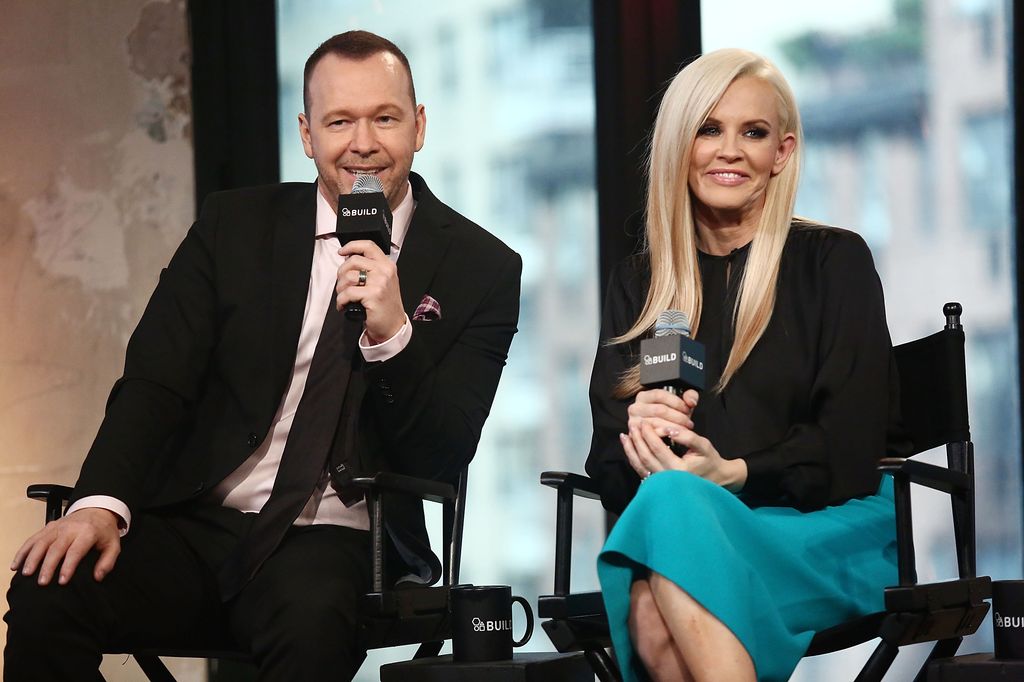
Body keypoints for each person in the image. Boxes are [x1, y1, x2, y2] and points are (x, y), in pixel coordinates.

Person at [5, 30, 521, 680]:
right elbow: (155, 382)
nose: (363, 142)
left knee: (311, 617)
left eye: (384, 118)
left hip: (343, 540)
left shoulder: (483, 268)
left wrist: (392, 337)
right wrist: (100, 504)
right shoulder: (233, 227)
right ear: (307, 134)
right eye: (339, 121)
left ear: (418, 126)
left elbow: (440, 456)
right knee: (51, 585)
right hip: (205, 524)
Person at [585, 48, 907, 682]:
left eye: (752, 132)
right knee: (665, 538)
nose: (728, 150)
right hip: (694, 533)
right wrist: (640, 440)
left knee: (659, 577)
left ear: (781, 153)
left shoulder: (832, 263)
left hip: (834, 533)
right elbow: (608, 474)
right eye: (708, 129)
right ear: (680, 145)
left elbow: (849, 450)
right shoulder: (641, 286)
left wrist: (733, 472)